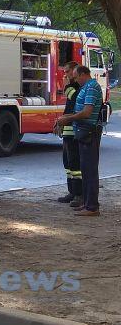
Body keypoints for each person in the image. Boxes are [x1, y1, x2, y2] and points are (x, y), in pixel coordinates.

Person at [56, 66, 103, 216]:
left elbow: (87, 112)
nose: (75, 80)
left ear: (83, 74)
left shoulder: (91, 87)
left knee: (90, 171)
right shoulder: (85, 87)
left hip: (89, 132)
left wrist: (68, 118)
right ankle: (87, 203)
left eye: (76, 77)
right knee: (85, 170)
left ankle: (92, 207)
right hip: (83, 133)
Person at [56, 61, 82, 207]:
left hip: (74, 131)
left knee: (75, 164)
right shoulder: (72, 86)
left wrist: (66, 86)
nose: (65, 74)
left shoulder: (77, 87)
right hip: (67, 130)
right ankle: (72, 192)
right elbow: (68, 108)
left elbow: (75, 101)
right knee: (67, 163)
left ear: (75, 71)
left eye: (67, 71)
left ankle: (79, 194)